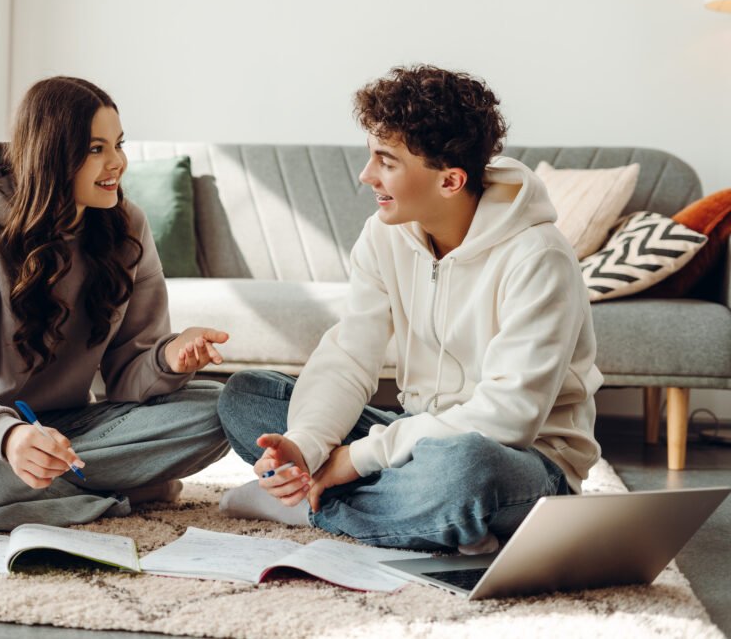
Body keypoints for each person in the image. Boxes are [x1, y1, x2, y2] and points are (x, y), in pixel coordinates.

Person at [217, 65, 603, 554]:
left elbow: (509, 418)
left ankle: (315, 506)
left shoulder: (538, 257)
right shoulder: (384, 235)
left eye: (387, 160)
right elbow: (349, 355)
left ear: (450, 181)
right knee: (246, 396)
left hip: (521, 462)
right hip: (413, 438)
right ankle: (423, 520)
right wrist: (307, 446)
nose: (366, 175)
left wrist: (355, 459)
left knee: (464, 472)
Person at [0, 76, 230, 532]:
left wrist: (169, 356)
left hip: (67, 425)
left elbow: (125, 381)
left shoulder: (127, 228)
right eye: (96, 149)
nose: (117, 163)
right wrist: (7, 436)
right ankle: (112, 495)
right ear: (51, 154)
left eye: (118, 144)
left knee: (216, 410)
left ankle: (41, 493)